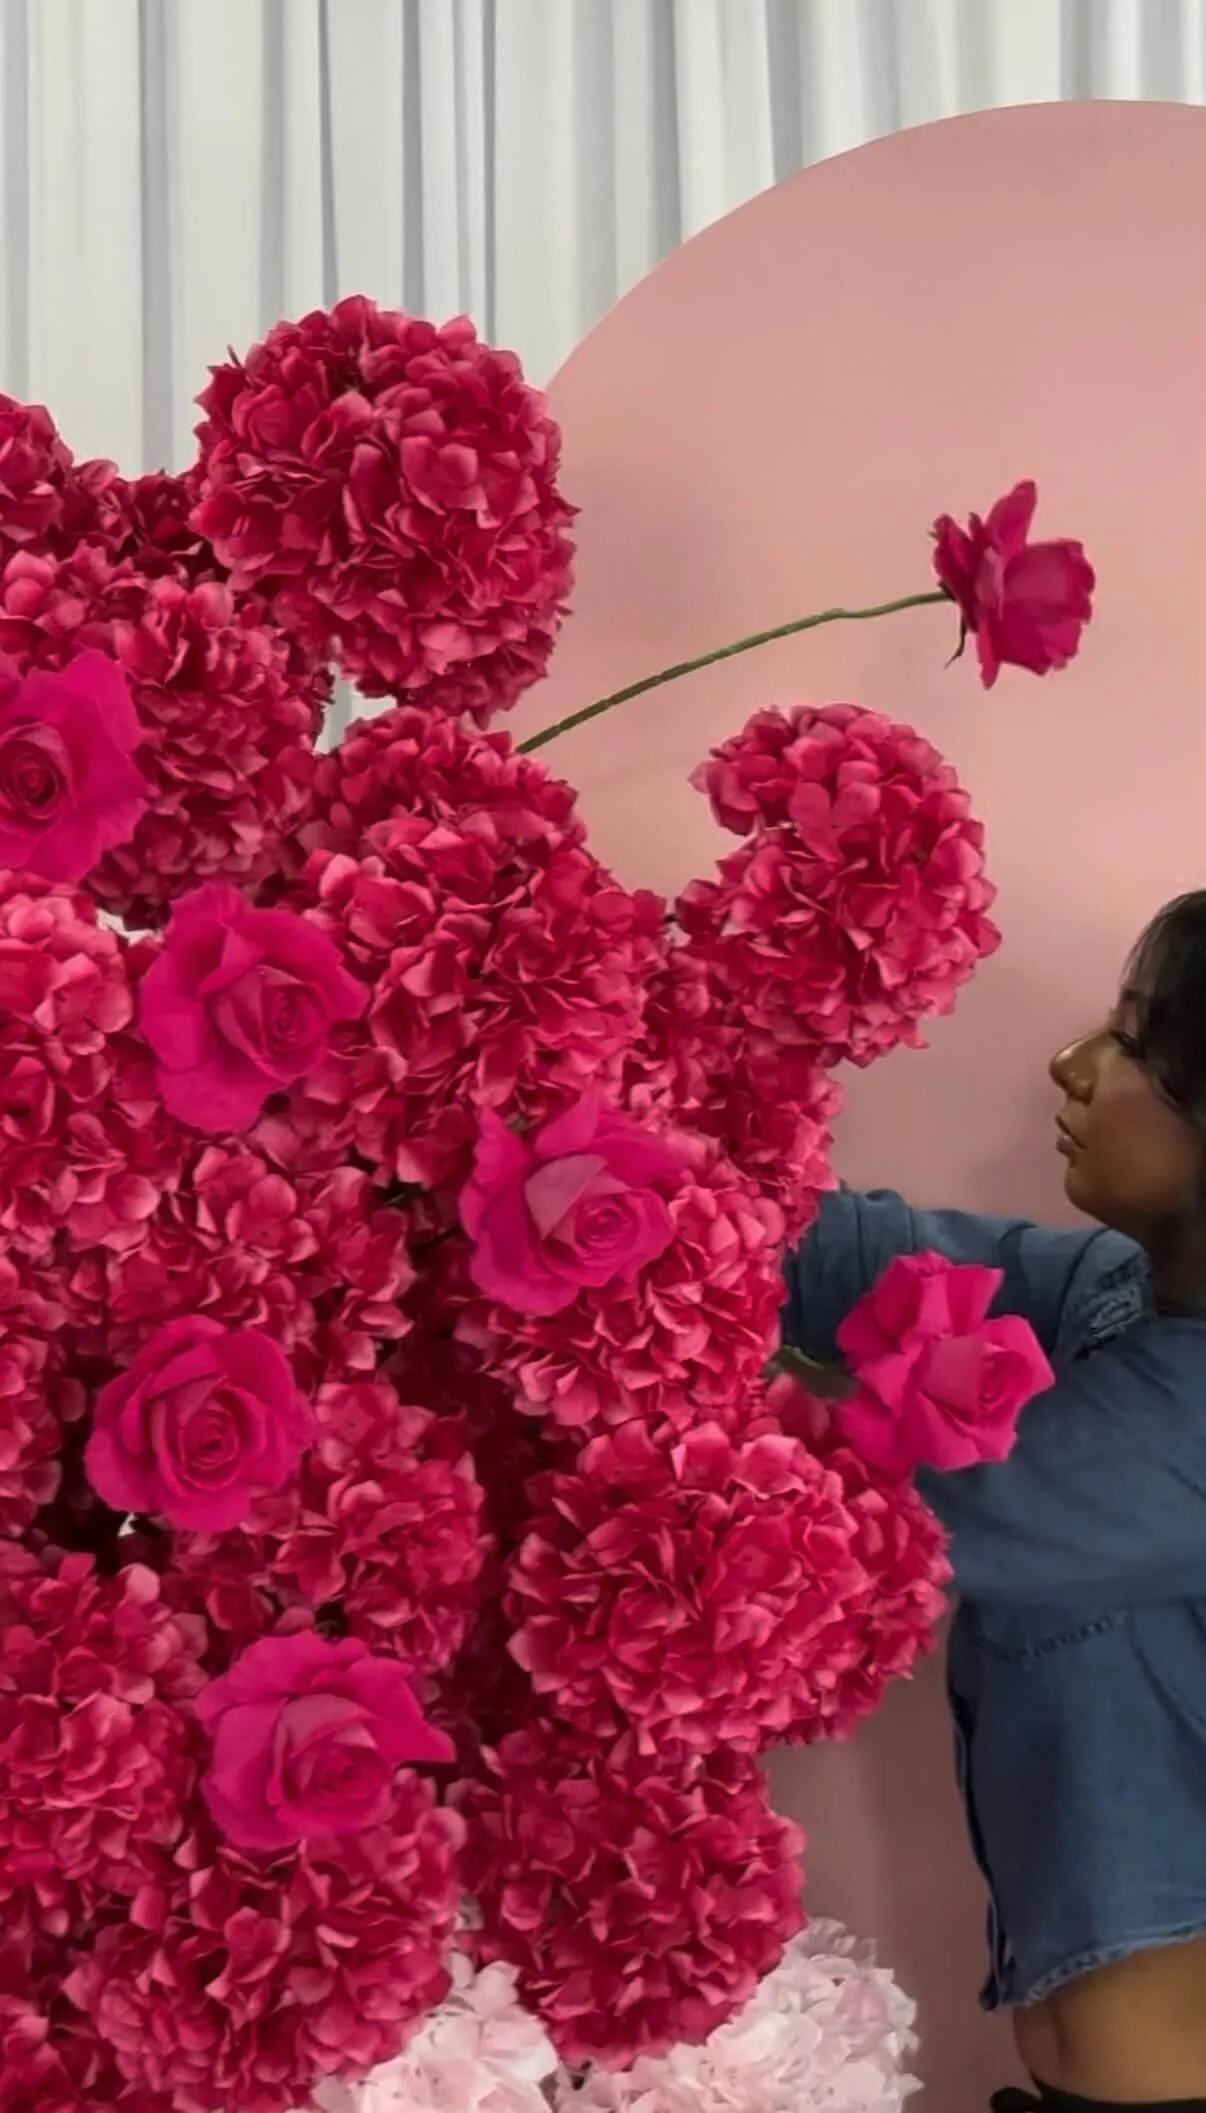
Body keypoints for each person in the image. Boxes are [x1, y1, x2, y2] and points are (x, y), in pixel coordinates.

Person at [782, 891, 1206, 2111]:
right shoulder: (1116, 1299)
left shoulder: (1181, 1437)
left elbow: (867, 1500)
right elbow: (865, 1259)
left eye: (1131, 1043)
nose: (1072, 1066)